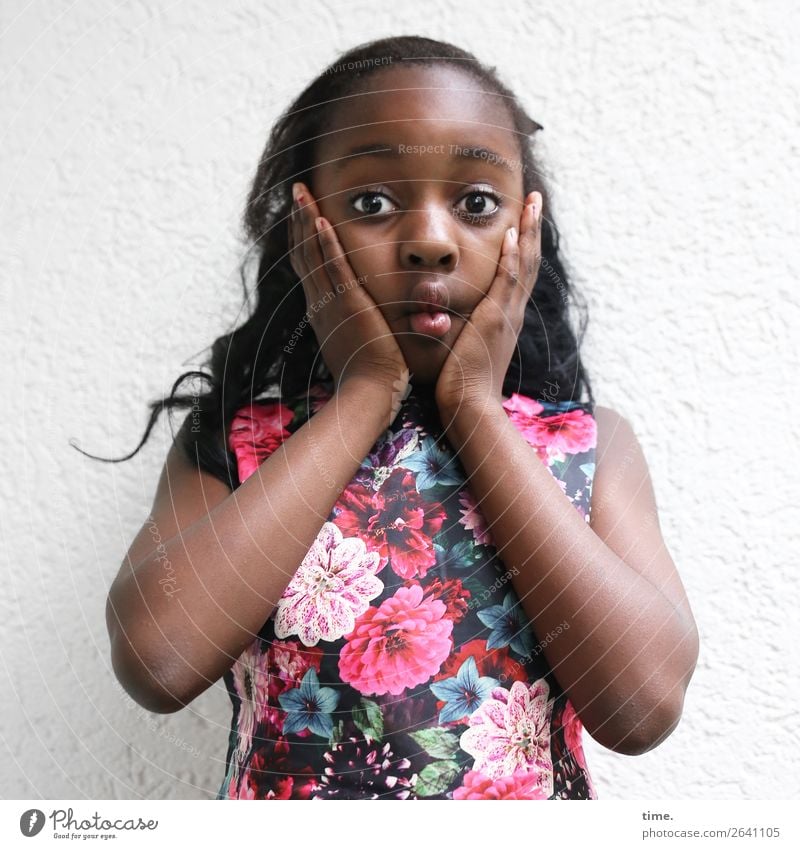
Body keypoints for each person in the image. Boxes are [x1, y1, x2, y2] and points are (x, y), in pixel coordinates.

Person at [97, 35, 699, 800]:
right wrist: (363, 397)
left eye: (476, 203)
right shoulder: (236, 444)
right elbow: (158, 663)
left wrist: (476, 409)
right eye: (373, 202)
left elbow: (642, 708)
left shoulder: (586, 446)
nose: (430, 242)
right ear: (305, 229)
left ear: (527, 232)